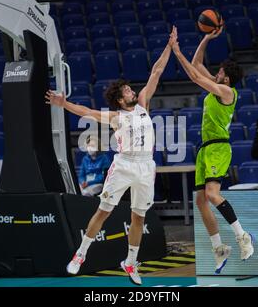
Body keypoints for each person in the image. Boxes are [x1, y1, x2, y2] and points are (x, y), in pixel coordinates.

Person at [45, 38, 172, 285]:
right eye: (126, 91)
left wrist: (170, 47)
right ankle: (80, 255)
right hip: (124, 165)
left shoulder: (144, 104)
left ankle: (131, 262)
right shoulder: (116, 117)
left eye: (130, 89)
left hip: (147, 165)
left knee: (139, 217)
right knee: (104, 211)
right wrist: (63, 103)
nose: (132, 91)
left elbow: (156, 71)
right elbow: (86, 112)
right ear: (120, 99)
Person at [168, 26, 254, 274]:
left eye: (219, 71)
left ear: (226, 78)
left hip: (219, 147)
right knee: (200, 200)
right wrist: (206, 38)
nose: (216, 73)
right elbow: (196, 64)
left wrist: (175, 50)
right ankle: (219, 248)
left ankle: (242, 236)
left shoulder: (227, 92)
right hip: (205, 149)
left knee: (213, 195)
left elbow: (194, 76)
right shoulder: (218, 85)